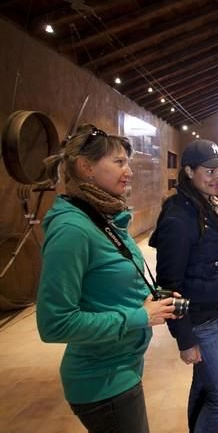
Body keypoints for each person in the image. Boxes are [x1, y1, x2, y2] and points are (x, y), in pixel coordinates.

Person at [36, 124, 179, 433]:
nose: (128, 171)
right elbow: (54, 323)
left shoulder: (104, 218)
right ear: (86, 167)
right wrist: (138, 316)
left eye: (127, 162)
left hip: (122, 366)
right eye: (118, 162)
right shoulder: (72, 229)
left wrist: (152, 297)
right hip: (101, 379)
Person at [149, 139, 218, 432]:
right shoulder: (178, 218)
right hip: (201, 321)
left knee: (204, 385)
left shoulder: (213, 206)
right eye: (208, 171)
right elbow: (167, 286)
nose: (216, 178)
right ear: (188, 171)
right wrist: (185, 339)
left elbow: (216, 258)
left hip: (217, 310)